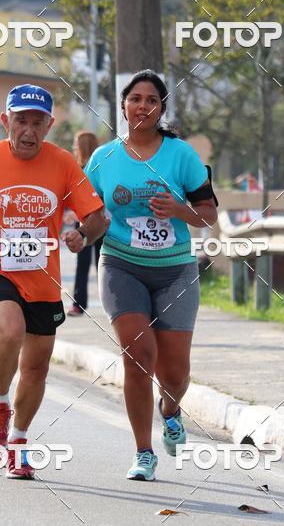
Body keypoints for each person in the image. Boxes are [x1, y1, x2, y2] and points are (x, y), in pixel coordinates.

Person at [0, 84, 107, 480]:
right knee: (10, 331)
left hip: (42, 280)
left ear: (49, 125)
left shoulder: (62, 165)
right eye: (20, 121)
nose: (28, 130)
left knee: (37, 367)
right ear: (6, 121)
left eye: (37, 122)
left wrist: (83, 234)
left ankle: (19, 443)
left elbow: (97, 216)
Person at [85, 70, 218, 481]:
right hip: (122, 265)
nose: (142, 105)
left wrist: (178, 210)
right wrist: (77, 233)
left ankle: (171, 409)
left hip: (175, 269)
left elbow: (209, 216)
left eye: (151, 100)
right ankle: (143, 452)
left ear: (161, 109)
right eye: (135, 98)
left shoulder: (181, 155)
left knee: (174, 373)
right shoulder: (103, 159)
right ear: (123, 106)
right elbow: (90, 215)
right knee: (138, 357)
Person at [67, 130, 104, 316]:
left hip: (100, 222)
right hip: (81, 223)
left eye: (75, 143)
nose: (73, 147)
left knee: (102, 263)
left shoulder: (99, 168)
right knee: (82, 263)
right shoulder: (75, 169)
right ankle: (79, 304)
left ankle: (109, 303)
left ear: (83, 146)